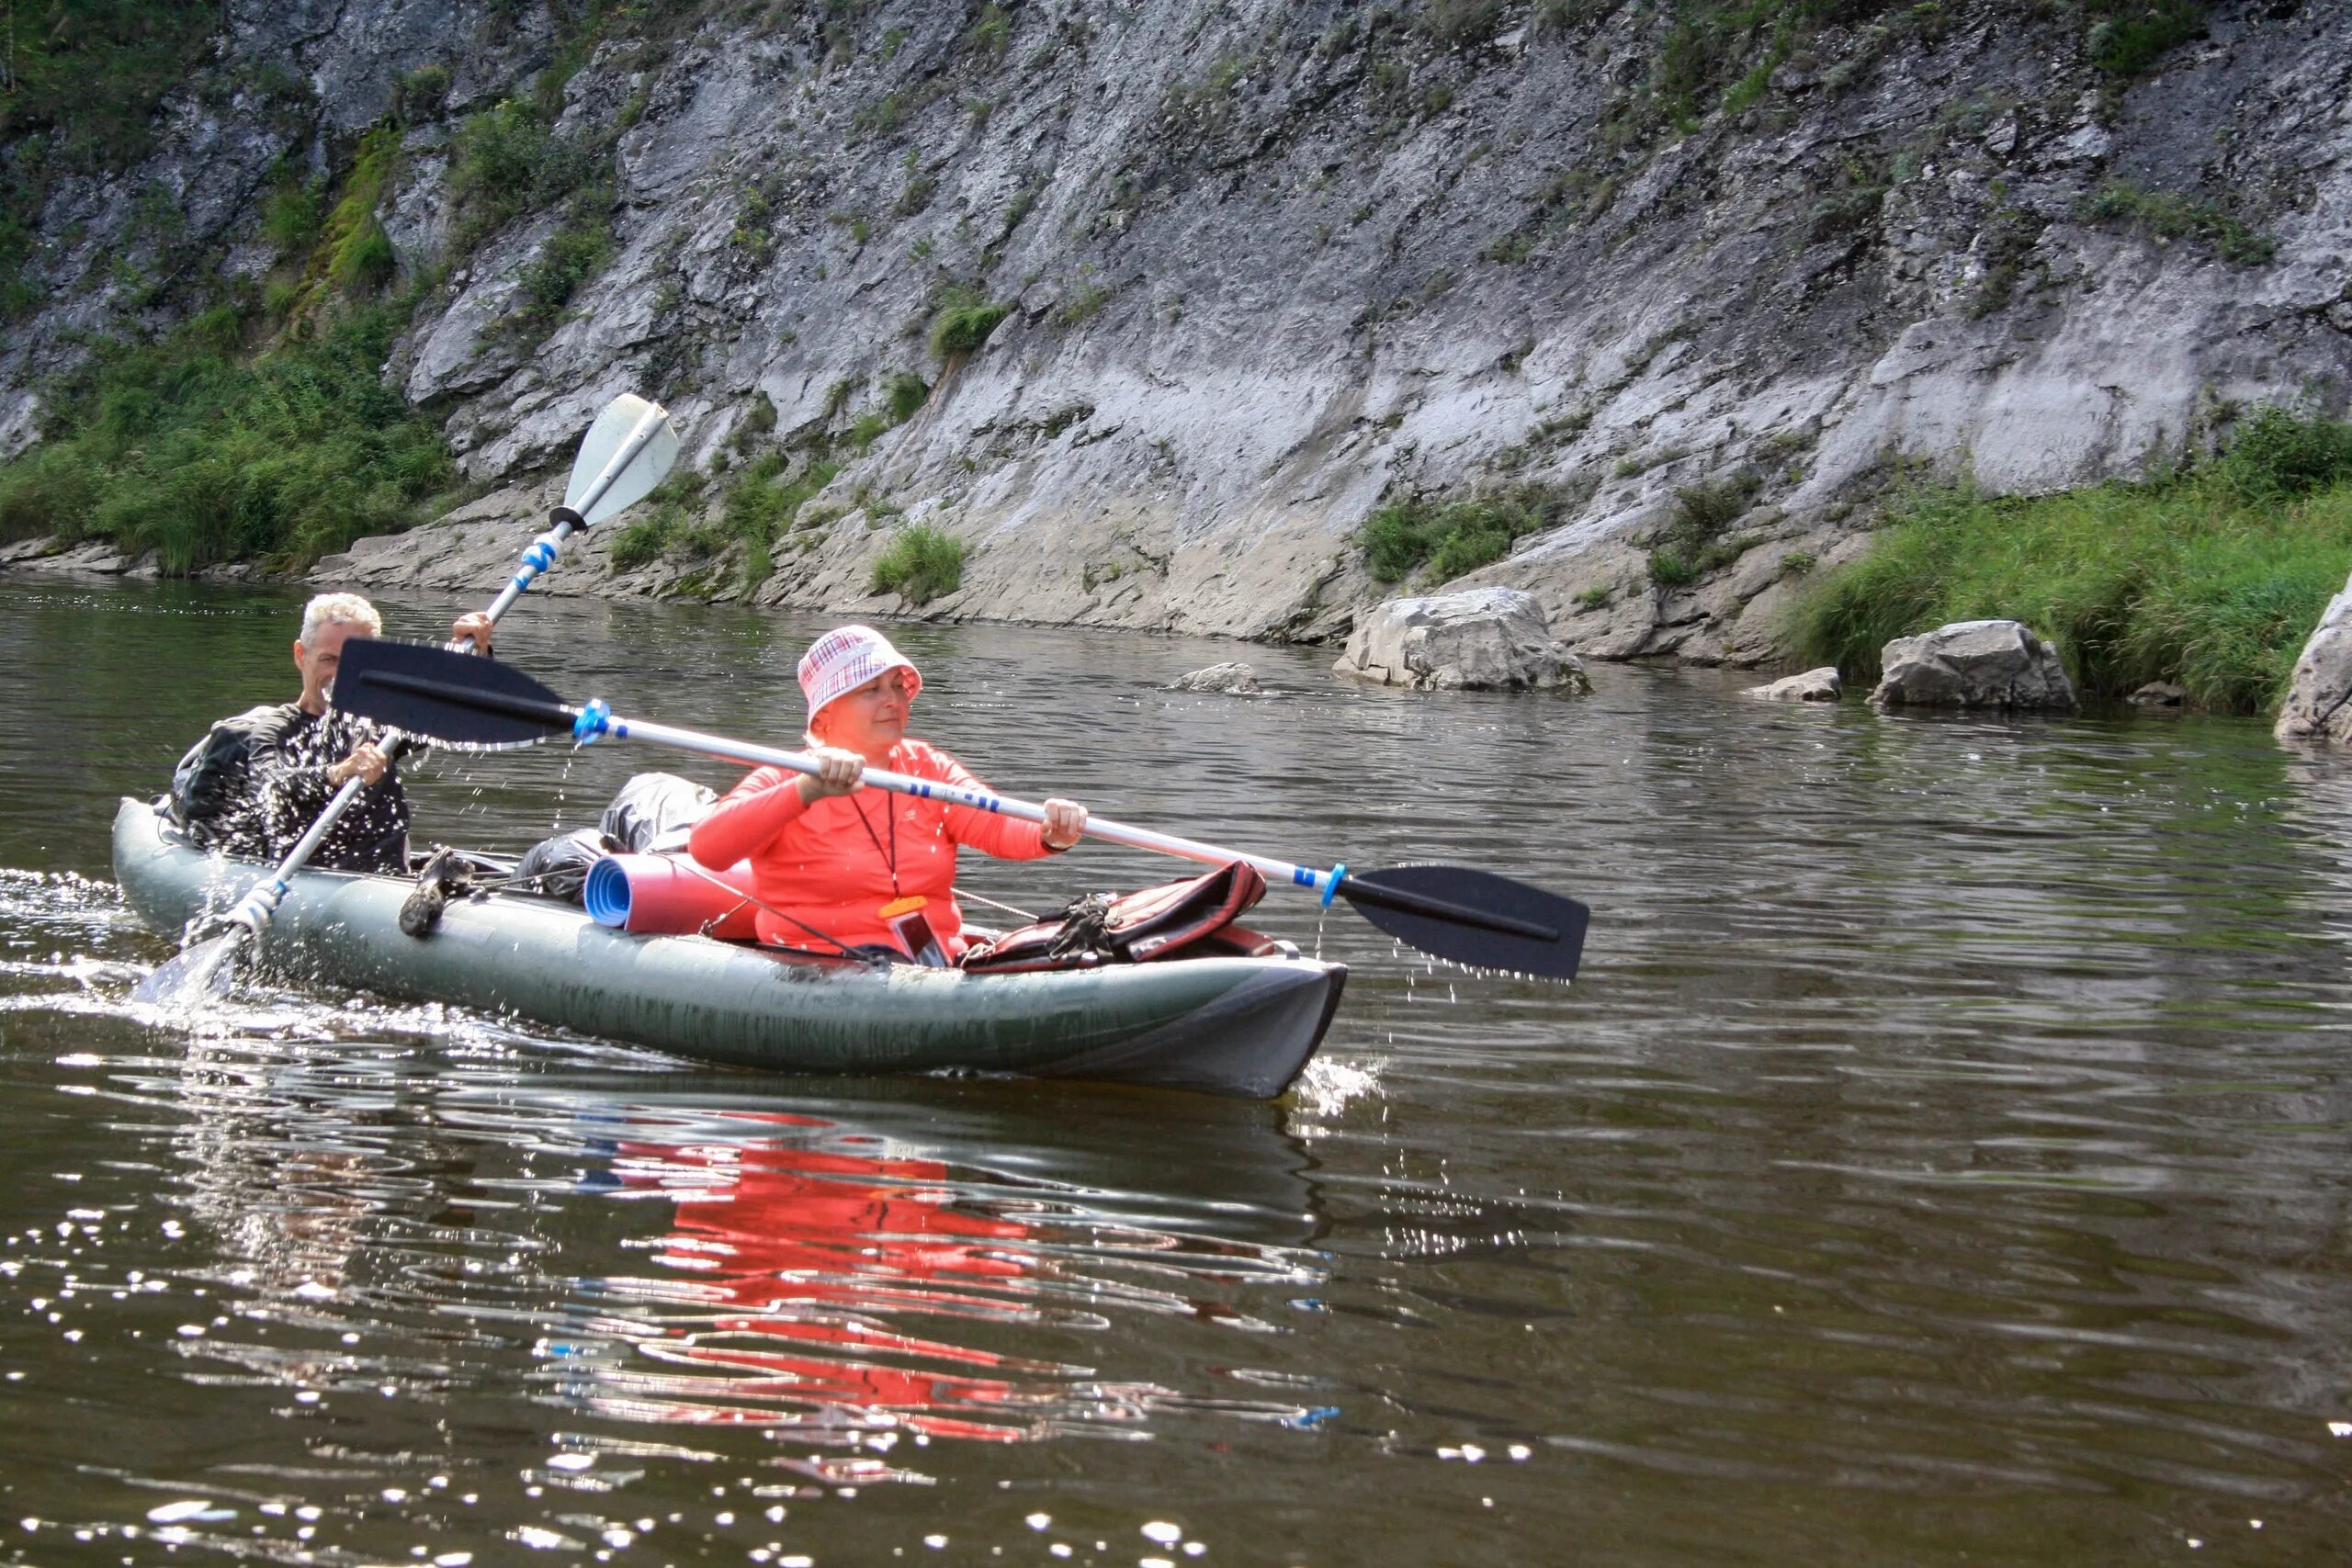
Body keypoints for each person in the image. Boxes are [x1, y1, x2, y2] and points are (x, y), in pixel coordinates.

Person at [687, 625, 1087, 962]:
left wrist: (1049, 832)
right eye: (872, 690)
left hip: (928, 961)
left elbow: (994, 823)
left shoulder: (925, 767)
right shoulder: (787, 776)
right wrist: (805, 791)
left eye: (897, 686)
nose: (893, 701)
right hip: (818, 965)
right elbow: (709, 849)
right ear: (825, 716)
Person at [169, 592, 496, 874]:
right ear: (301, 656)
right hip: (300, 875)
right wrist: (338, 772)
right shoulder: (267, 732)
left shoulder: (381, 726)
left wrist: (474, 656)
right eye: (329, 660)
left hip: (381, 882)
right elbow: (271, 785)